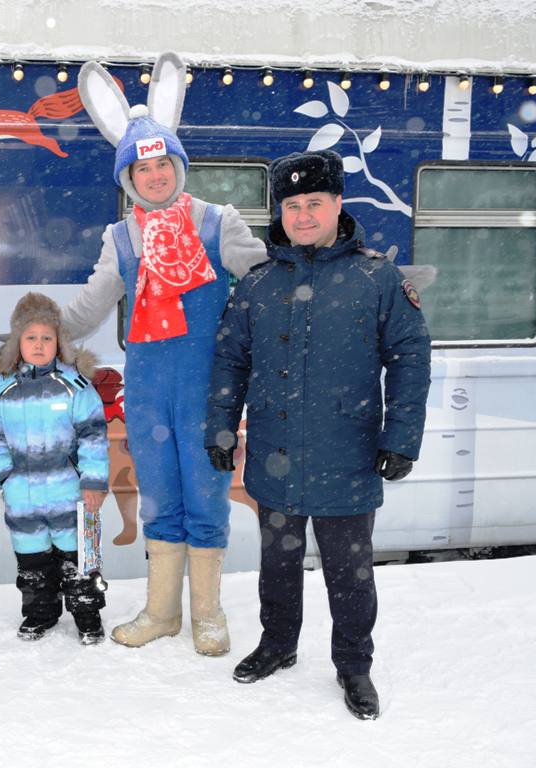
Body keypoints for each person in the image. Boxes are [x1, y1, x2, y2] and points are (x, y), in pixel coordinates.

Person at [205, 150, 432, 719]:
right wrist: (221, 429)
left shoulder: (377, 278)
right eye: (291, 205)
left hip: (348, 456)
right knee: (277, 562)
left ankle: (354, 666)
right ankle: (278, 645)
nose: (302, 215)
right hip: (277, 453)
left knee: (349, 573)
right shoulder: (257, 284)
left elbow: (409, 357)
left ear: (337, 206)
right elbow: (230, 361)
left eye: (314, 203)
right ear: (279, 212)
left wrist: (401, 436)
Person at [60, 52, 267, 656]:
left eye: (162, 164)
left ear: (177, 165)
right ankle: (161, 611)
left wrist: (335, 273)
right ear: (128, 178)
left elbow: (266, 276)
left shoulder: (215, 222)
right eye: (141, 168)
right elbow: (90, 309)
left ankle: (207, 612)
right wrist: (30, 335)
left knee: (207, 494)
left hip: (209, 386)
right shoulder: (120, 236)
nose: (153, 176)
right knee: (157, 498)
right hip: (148, 387)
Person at [0, 293, 110, 644]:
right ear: (17, 343)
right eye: (30, 338)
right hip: (23, 493)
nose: (39, 345)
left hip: (71, 491)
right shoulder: (2, 391)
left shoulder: (75, 386)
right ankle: (40, 612)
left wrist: (93, 483)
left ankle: (87, 614)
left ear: (59, 342)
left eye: (47, 338)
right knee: (32, 557)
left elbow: (93, 435)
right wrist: (5, 476)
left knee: (80, 556)